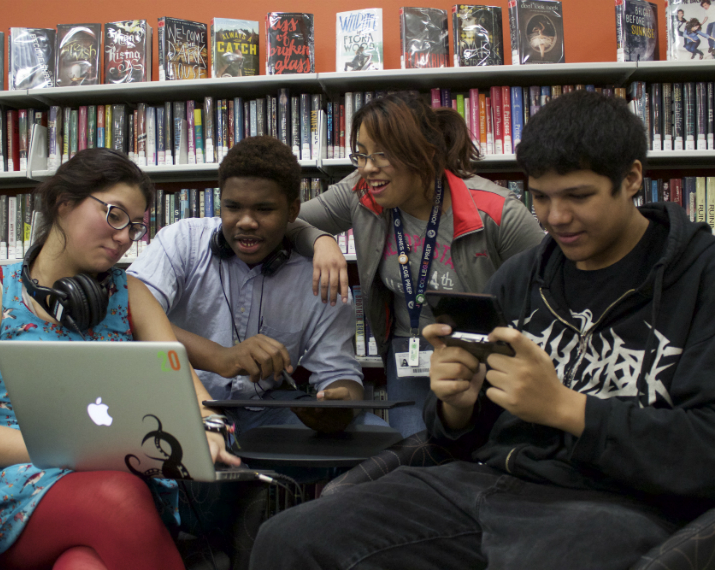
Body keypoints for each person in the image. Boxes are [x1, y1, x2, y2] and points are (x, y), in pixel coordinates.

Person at [248, 89, 715, 570]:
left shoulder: (700, 279)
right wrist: (458, 405)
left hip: (613, 501)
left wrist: (566, 408)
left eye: (578, 196)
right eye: (541, 197)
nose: (556, 218)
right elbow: (459, 442)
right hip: (486, 482)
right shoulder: (522, 276)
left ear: (632, 177)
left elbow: (704, 446)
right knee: (289, 537)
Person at [0, 148, 238, 570]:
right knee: (118, 497)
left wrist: (210, 430)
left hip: (116, 487)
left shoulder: (132, 296)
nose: (125, 236)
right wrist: (81, 451)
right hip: (12, 491)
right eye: (115, 215)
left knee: (84, 566)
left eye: (135, 226)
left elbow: (194, 398)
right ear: (64, 203)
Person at [299, 92, 544, 437]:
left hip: (489, 353)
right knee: (416, 458)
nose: (369, 167)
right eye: (362, 154)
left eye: (382, 154)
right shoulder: (360, 193)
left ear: (425, 152)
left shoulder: (497, 212)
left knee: (487, 455)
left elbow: (551, 286)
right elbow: (284, 221)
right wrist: (320, 239)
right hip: (409, 349)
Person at [128, 136, 381, 435]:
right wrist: (221, 357)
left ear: (292, 211)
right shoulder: (183, 242)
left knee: (373, 434)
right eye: (233, 207)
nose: (246, 221)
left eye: (264, 209)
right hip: (178, 403)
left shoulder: (318, 277)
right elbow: (128, 311)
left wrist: (339, 405)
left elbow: (342, 376)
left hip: (264, 410)